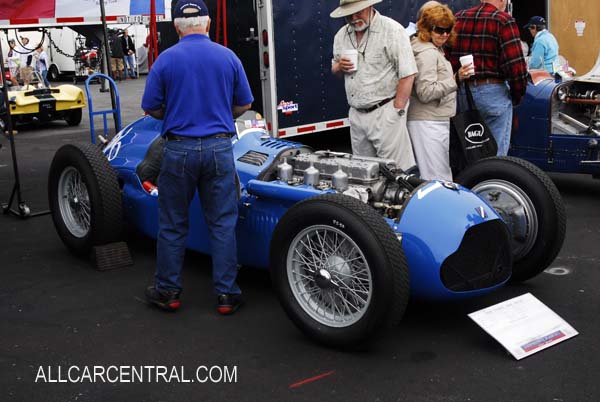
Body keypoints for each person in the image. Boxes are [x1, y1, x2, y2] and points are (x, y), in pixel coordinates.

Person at [141, 0, 253, 314]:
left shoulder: (165, 60)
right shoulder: (227, 56)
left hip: (178, 150)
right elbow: (244, 104)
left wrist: (175, 114)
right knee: (222, 223)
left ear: (176, 27)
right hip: (219, 149)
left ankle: (168, 292)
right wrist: (219, 113)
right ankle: (227, 295)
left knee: (173, 224)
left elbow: (151, 107)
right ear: (206, 24)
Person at [330, 0, 417, 171]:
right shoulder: (341, 35)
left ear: (369, 6)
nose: (354, 18)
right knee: (362, 173)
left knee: (396, 173)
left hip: (385, 111)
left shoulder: (392, 30)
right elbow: (335, 69)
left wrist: (396, 111)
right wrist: (339, 66)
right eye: (349, 14)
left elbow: (408, 74)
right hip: (356, 114)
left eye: (358, 12)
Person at [449, 0, 528, 156]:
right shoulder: (503, 21)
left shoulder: (459, 18)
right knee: (495, 154)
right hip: (493, 91)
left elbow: (449, 57)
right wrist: (516, 96)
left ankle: (471, 179)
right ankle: (491, 179)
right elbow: (516, 67)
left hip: (463, 91)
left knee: (469, 150)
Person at [407, 4, 472, 182]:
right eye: (439, 30)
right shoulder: (427, 52)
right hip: (428, 122)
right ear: (427, 29)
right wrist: (456, 79)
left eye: (448, 29)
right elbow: (426, 92)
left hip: (431, 120)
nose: (444, 34)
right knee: (437, 177)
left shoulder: (430, 48)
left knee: (435, 175)